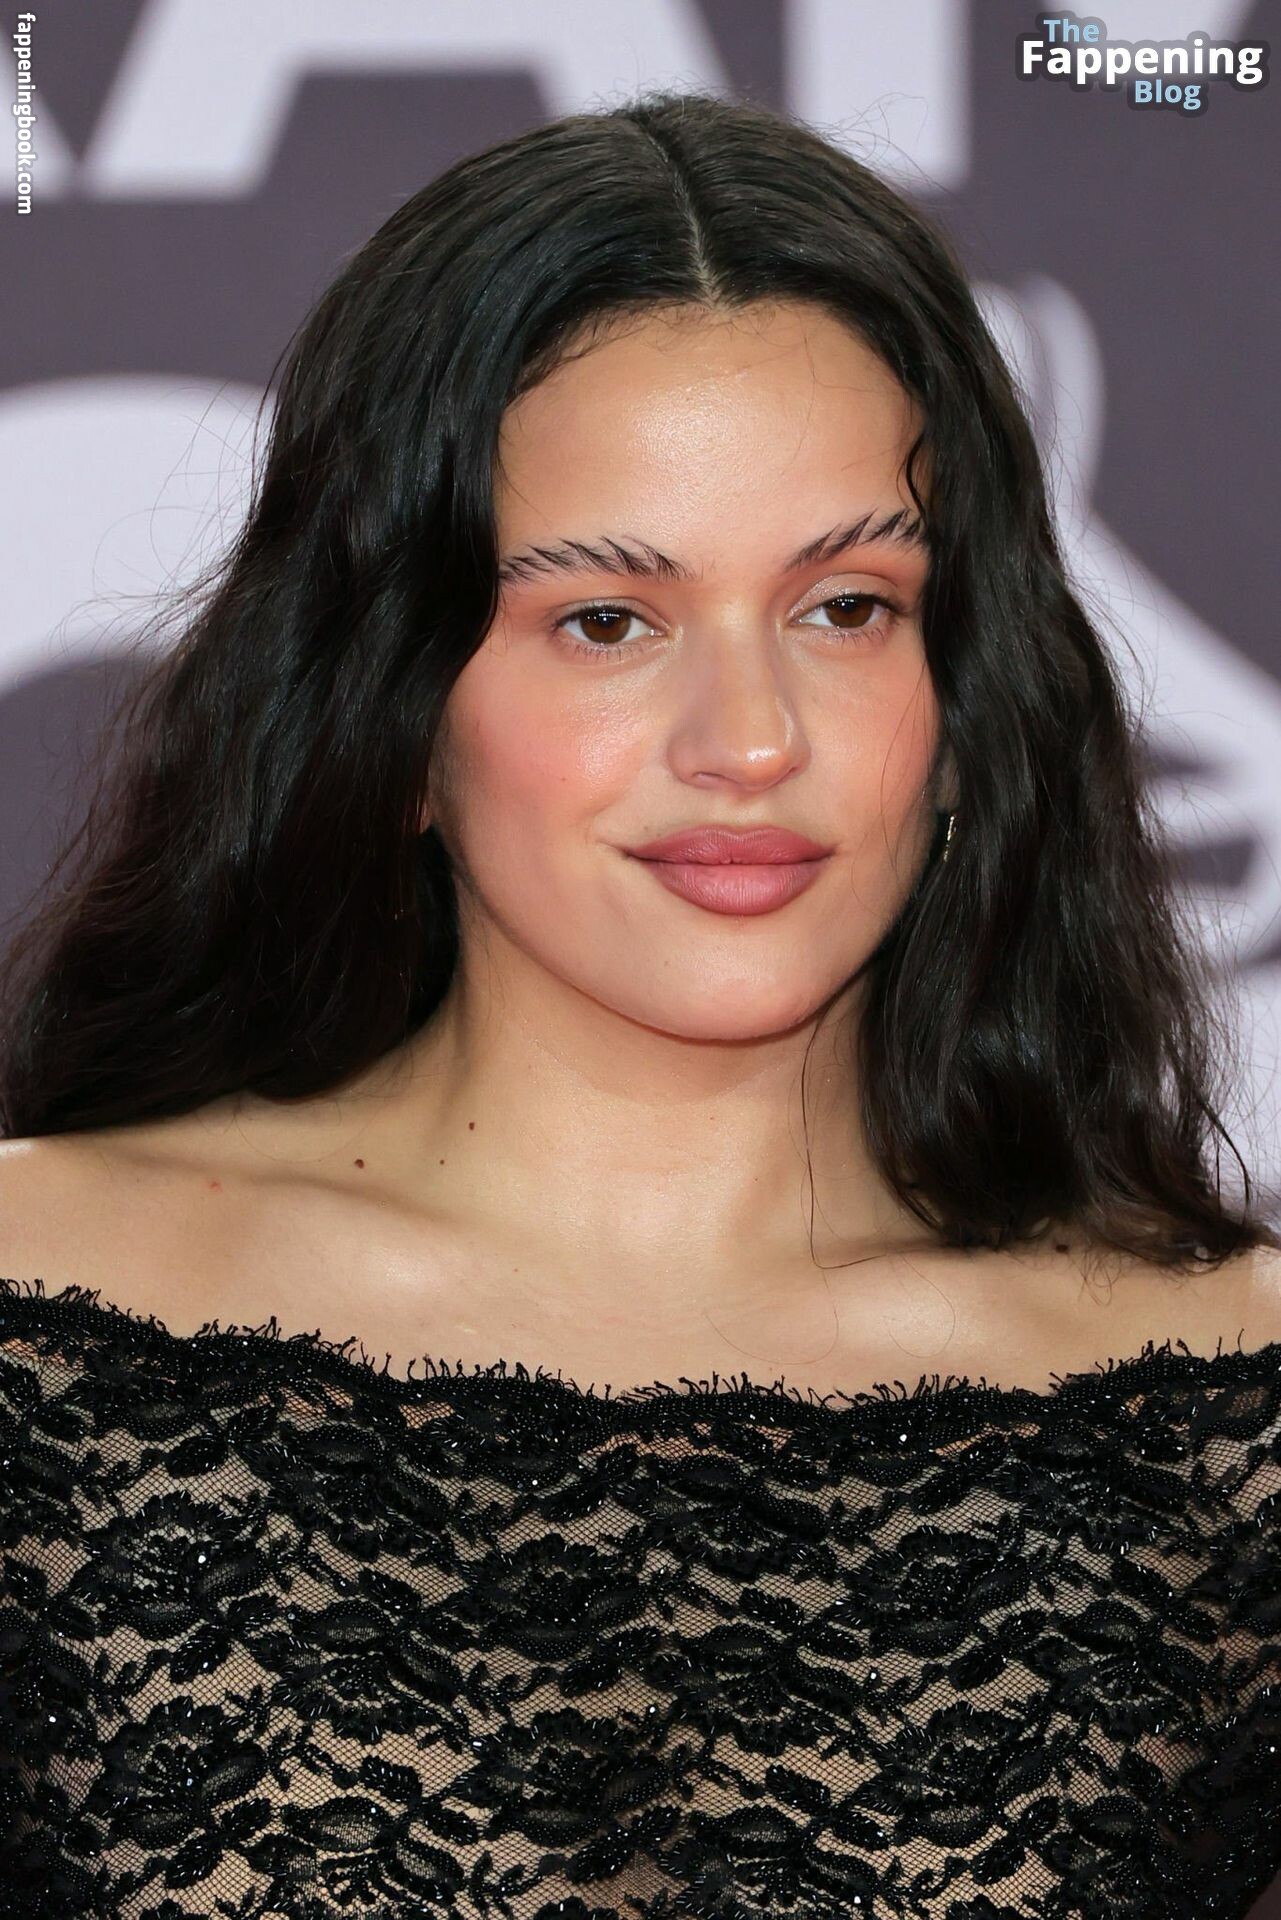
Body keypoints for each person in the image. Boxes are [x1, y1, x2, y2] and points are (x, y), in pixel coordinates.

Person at [0, 86, 1277, 1920]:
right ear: (395, 710)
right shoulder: (37, 1326)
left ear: (963, 700)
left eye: (846, 608)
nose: (748, 741)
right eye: (606, 621)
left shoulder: (1229, 1420)